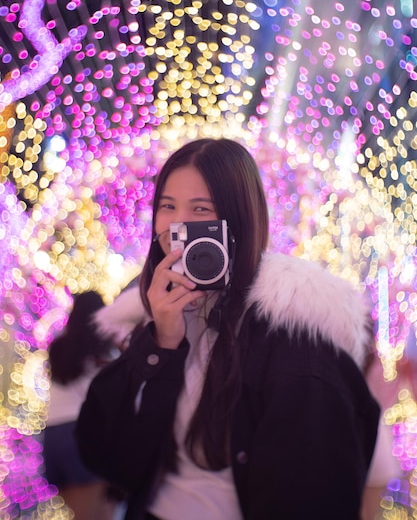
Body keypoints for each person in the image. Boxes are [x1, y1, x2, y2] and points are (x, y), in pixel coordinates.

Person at [76, 138, 380, 520]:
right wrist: (160, 344)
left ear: (239, 220)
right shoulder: (157, 316)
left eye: (201, 209)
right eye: (167, 206)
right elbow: (104, 455)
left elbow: (316, 492)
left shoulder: (296, 336)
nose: (178, 224)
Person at [43, 290, 116, 520]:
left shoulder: (57, 349)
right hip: (84, 435)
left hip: (52, 436)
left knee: (92, 513)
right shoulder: (105, 354)